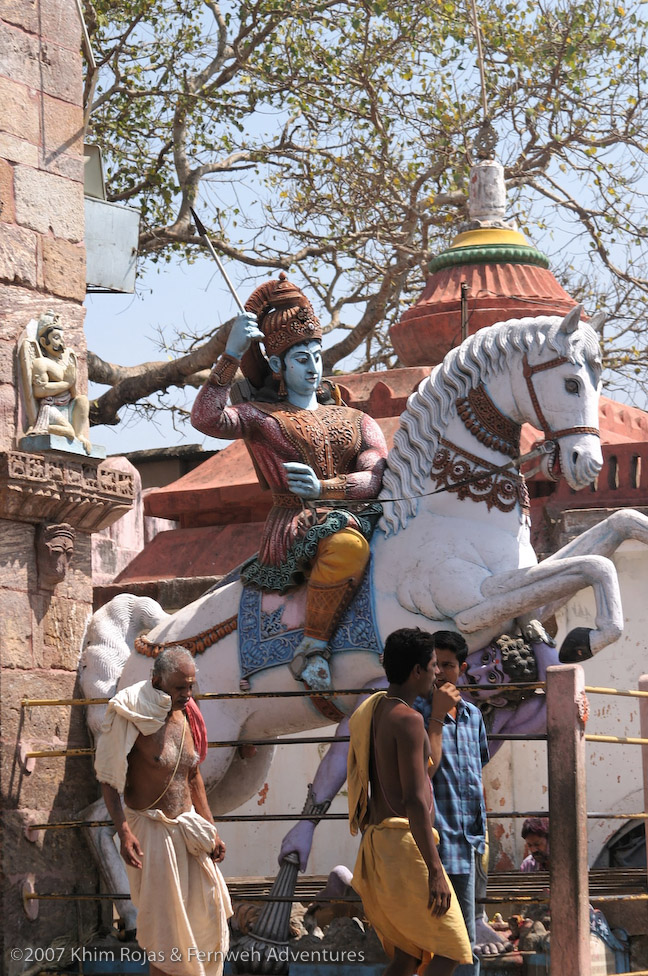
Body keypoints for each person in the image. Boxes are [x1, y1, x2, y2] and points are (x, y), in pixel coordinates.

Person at [191, 274, 387, 690]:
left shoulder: (357, 420)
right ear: (278, 365)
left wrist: (325, 489)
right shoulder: (262, 418)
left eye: (316, 356)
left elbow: (376, 474)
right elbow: (206, 419)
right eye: (301, 359)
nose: (313, 367)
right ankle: (312, 649)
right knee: (347, 546)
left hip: (358, 511)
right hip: (298, 525)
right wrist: (231, 354)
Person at [95, 647, 232, 976]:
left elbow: (193, 775)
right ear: (157, 681)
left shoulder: (187, 712)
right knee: (166, 937)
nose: (186, 694)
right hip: (152, 835)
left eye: (190, 686)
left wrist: (211, 830)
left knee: (207, 919)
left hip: (189, 832)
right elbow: (108, 778)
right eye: (179, 687)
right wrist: (124, 832)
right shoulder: (131, 712)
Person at [347, 627, 472, 976]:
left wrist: (436, 718)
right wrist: (435, 871)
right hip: (406, 848)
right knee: (451, 949)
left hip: (380, 845)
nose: (437, 673)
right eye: (433, 666)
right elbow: (416, 799)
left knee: (407, 957)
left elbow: (422, 768)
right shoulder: (409, 720)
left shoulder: (377, 709)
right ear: (417, 671)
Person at [414, 632, 490, 976]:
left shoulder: (473, 716)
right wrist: (438, 715)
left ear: (462, 669)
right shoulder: (417, 714)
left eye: (448, 665)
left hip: (466, 843)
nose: (440, 672)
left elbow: (476, 770)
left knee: (465, 942)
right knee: (432, 941)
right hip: (432, 843)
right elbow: (426, 770)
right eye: (435, 664)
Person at [23, 310, 92, 452]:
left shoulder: (67, 361)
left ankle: (79, 434)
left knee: (83, 400)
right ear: (44, 342)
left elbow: (74, 394)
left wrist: (72, 382)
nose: (61, 342)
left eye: (62, 337)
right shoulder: (41, 363)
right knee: (69, 432)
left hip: (67, 407)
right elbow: (39, 391)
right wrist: (66, 383)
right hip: (51, 407)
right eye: (56, 337)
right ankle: (43, 428)